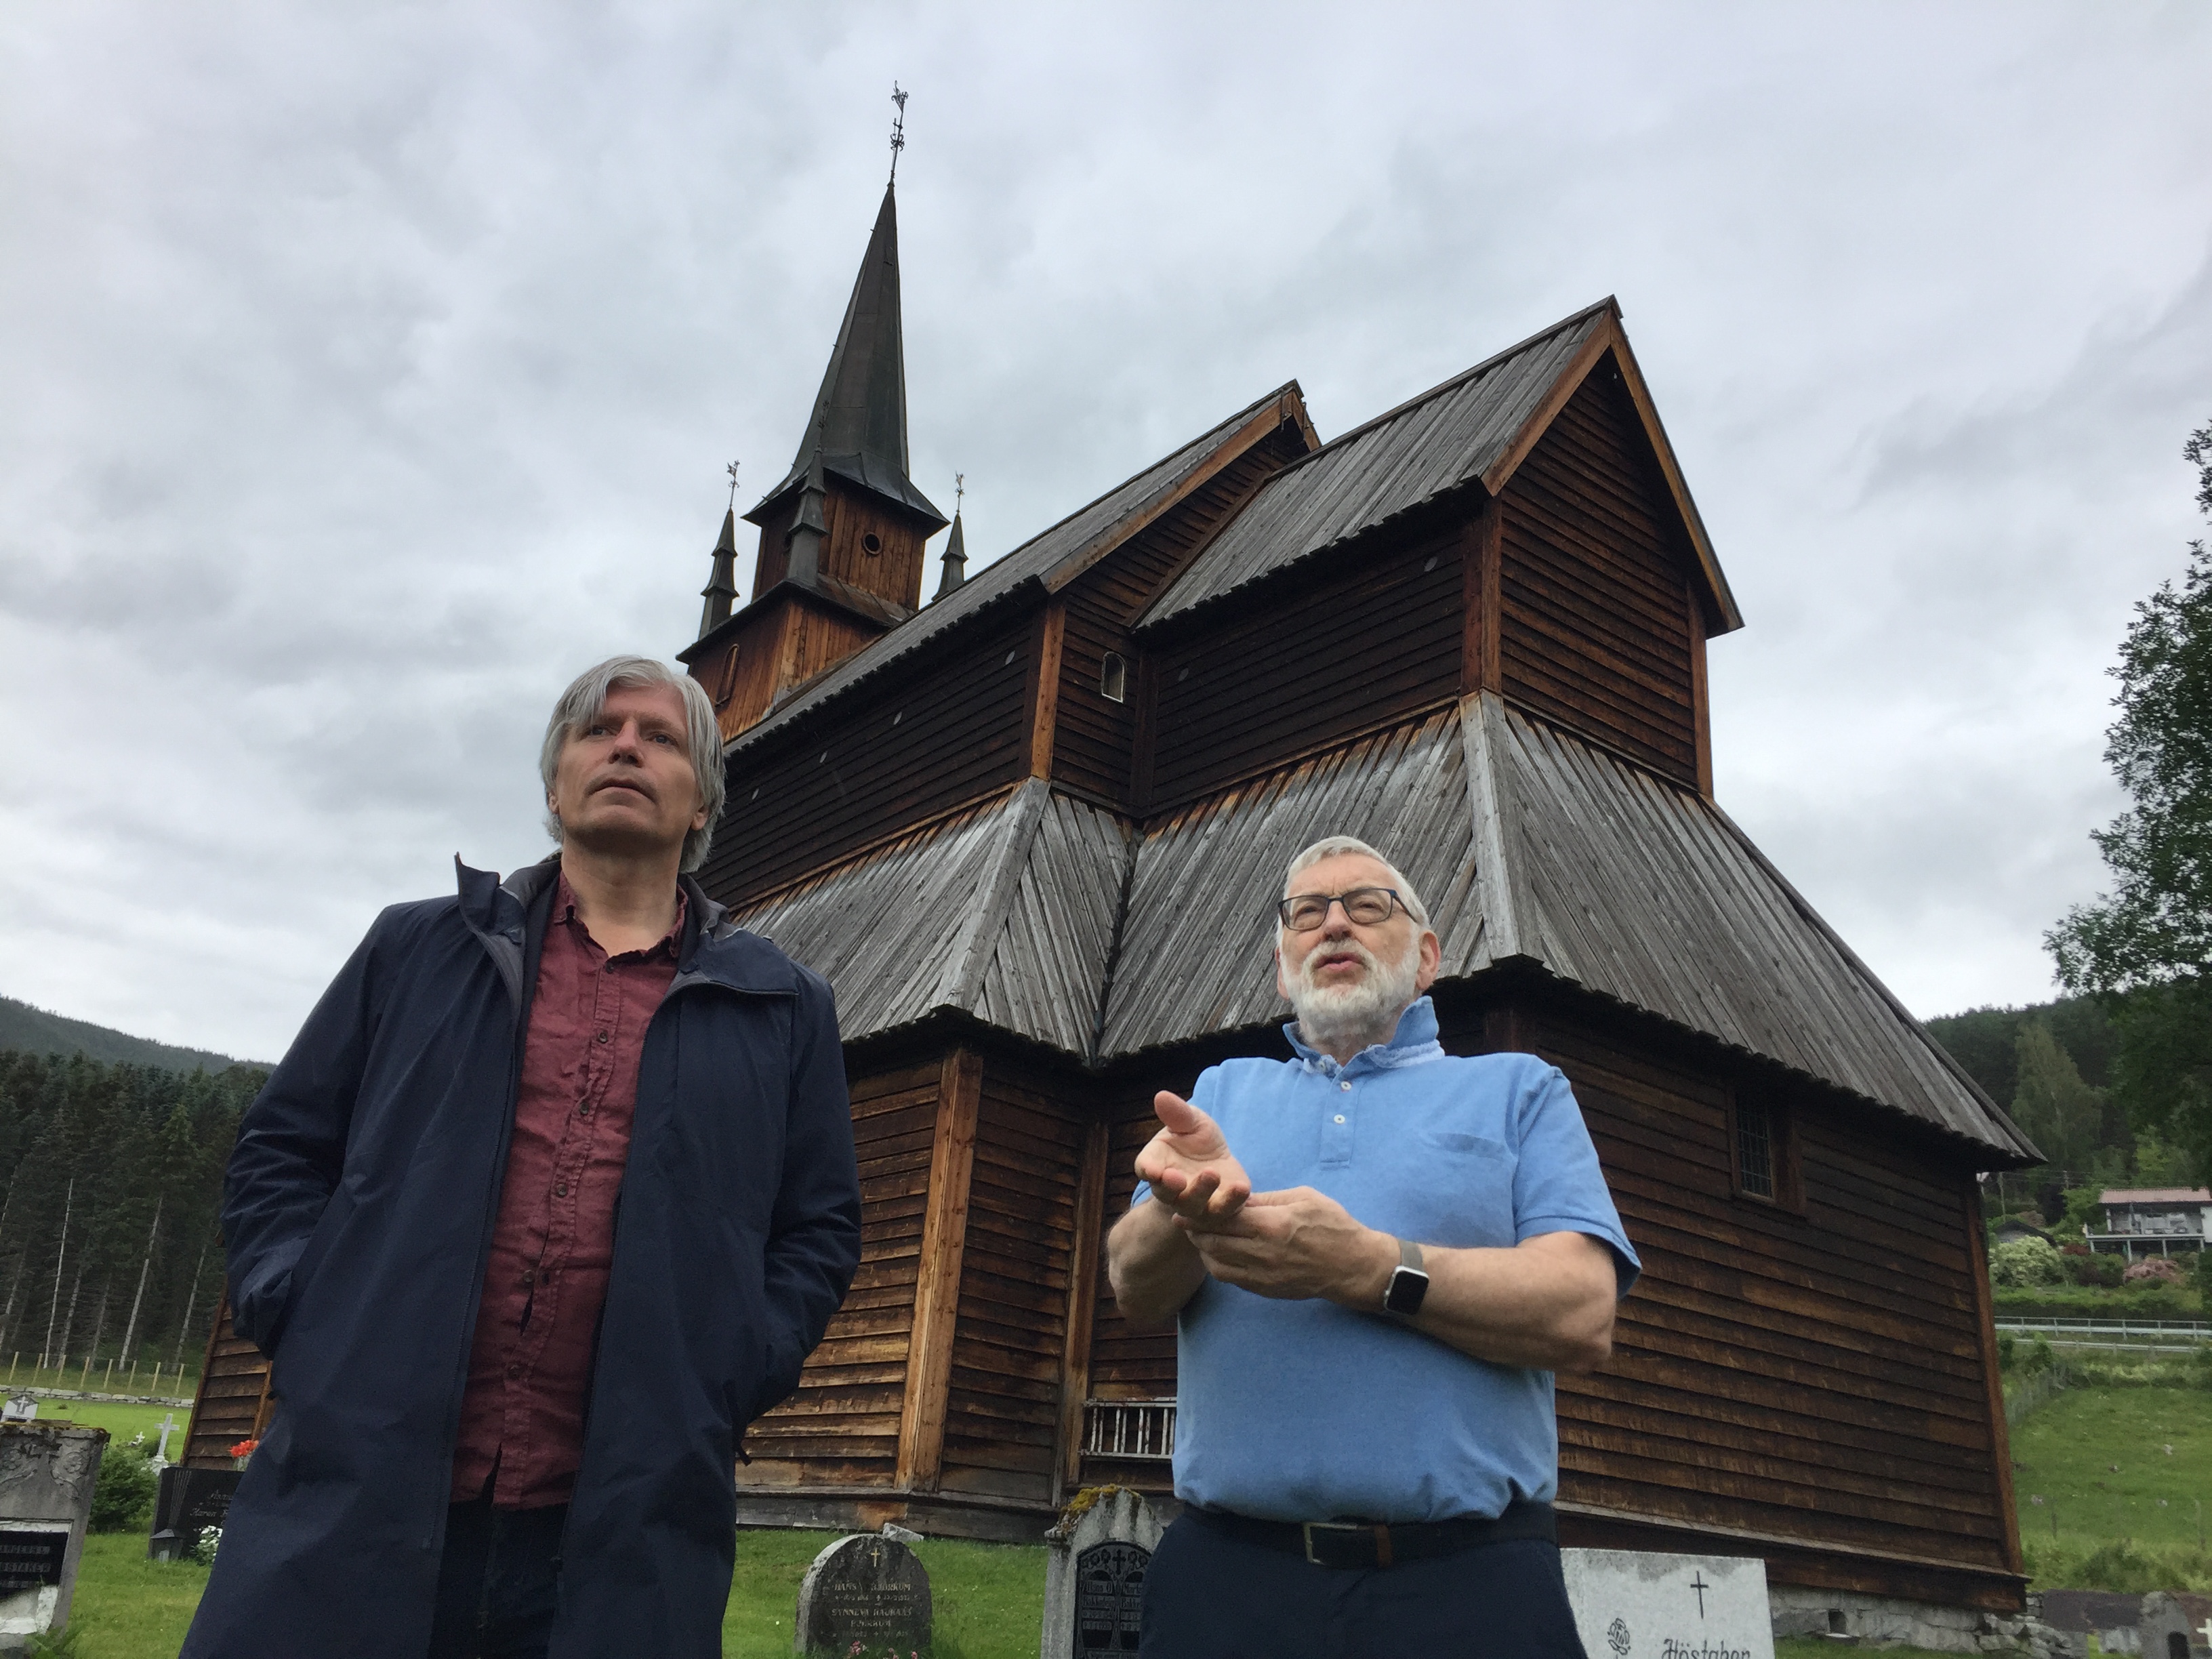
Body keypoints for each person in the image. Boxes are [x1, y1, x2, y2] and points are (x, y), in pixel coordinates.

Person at [182, 657, 862, 1659]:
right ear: (554, 786)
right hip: (365, 1492)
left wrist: (734, 1364)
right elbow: (282, 1150)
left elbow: (820, 1226)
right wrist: (305, 1307)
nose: (626, 745)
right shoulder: (416, 954)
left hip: (620, 1525)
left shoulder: (781, 1007)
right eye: (599, 731)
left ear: (704, 797)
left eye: (661, 737)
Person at [1108, 834, 1639, 1658]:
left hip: (1467, 1586)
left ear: (1426, 958)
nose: (1332, 926)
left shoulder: (1518, 1089)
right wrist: (1185, 1212)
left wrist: (1366, 1268)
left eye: (1365, 906)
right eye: (1306, 913)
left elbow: (1581, 1312)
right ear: (1284, 967)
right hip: (1226, 1583)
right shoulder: (1220, 1095)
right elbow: (1134, 1290)